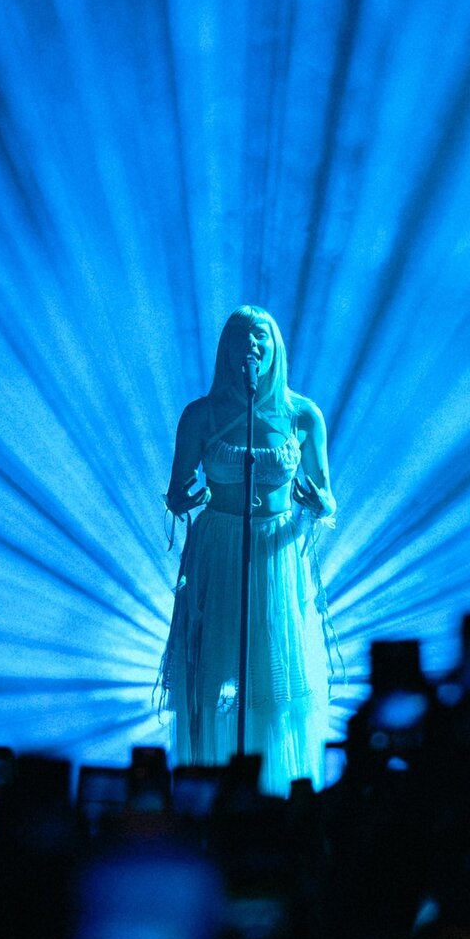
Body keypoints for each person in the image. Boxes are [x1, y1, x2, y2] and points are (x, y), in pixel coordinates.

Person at [157, 305, 338, 796]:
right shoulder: (201, 415)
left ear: (275, 348)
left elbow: (326, 495)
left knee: (275, 679)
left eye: (262, 337)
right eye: (242, 337)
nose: (252, 346)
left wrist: (318, 503)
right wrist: (179, 499)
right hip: (220, 548)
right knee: (214, 674)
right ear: (227, 349)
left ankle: (275, 791)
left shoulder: (302, 415)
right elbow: (176, 488)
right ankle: (212, 788)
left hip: (277, 552)